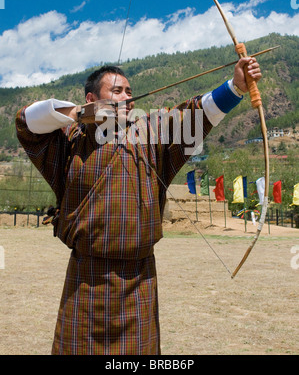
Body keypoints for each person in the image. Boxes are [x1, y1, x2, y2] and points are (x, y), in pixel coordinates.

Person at [16, 57, 261, 355]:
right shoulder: (70, 139)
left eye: (129, 93)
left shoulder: (152, 134)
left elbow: (196, 116)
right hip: (86, 277)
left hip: (139, 278)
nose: (127, 99)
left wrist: (235, 87)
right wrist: (80, 114)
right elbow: (26, 121)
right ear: (92, 98)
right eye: (117, 91)